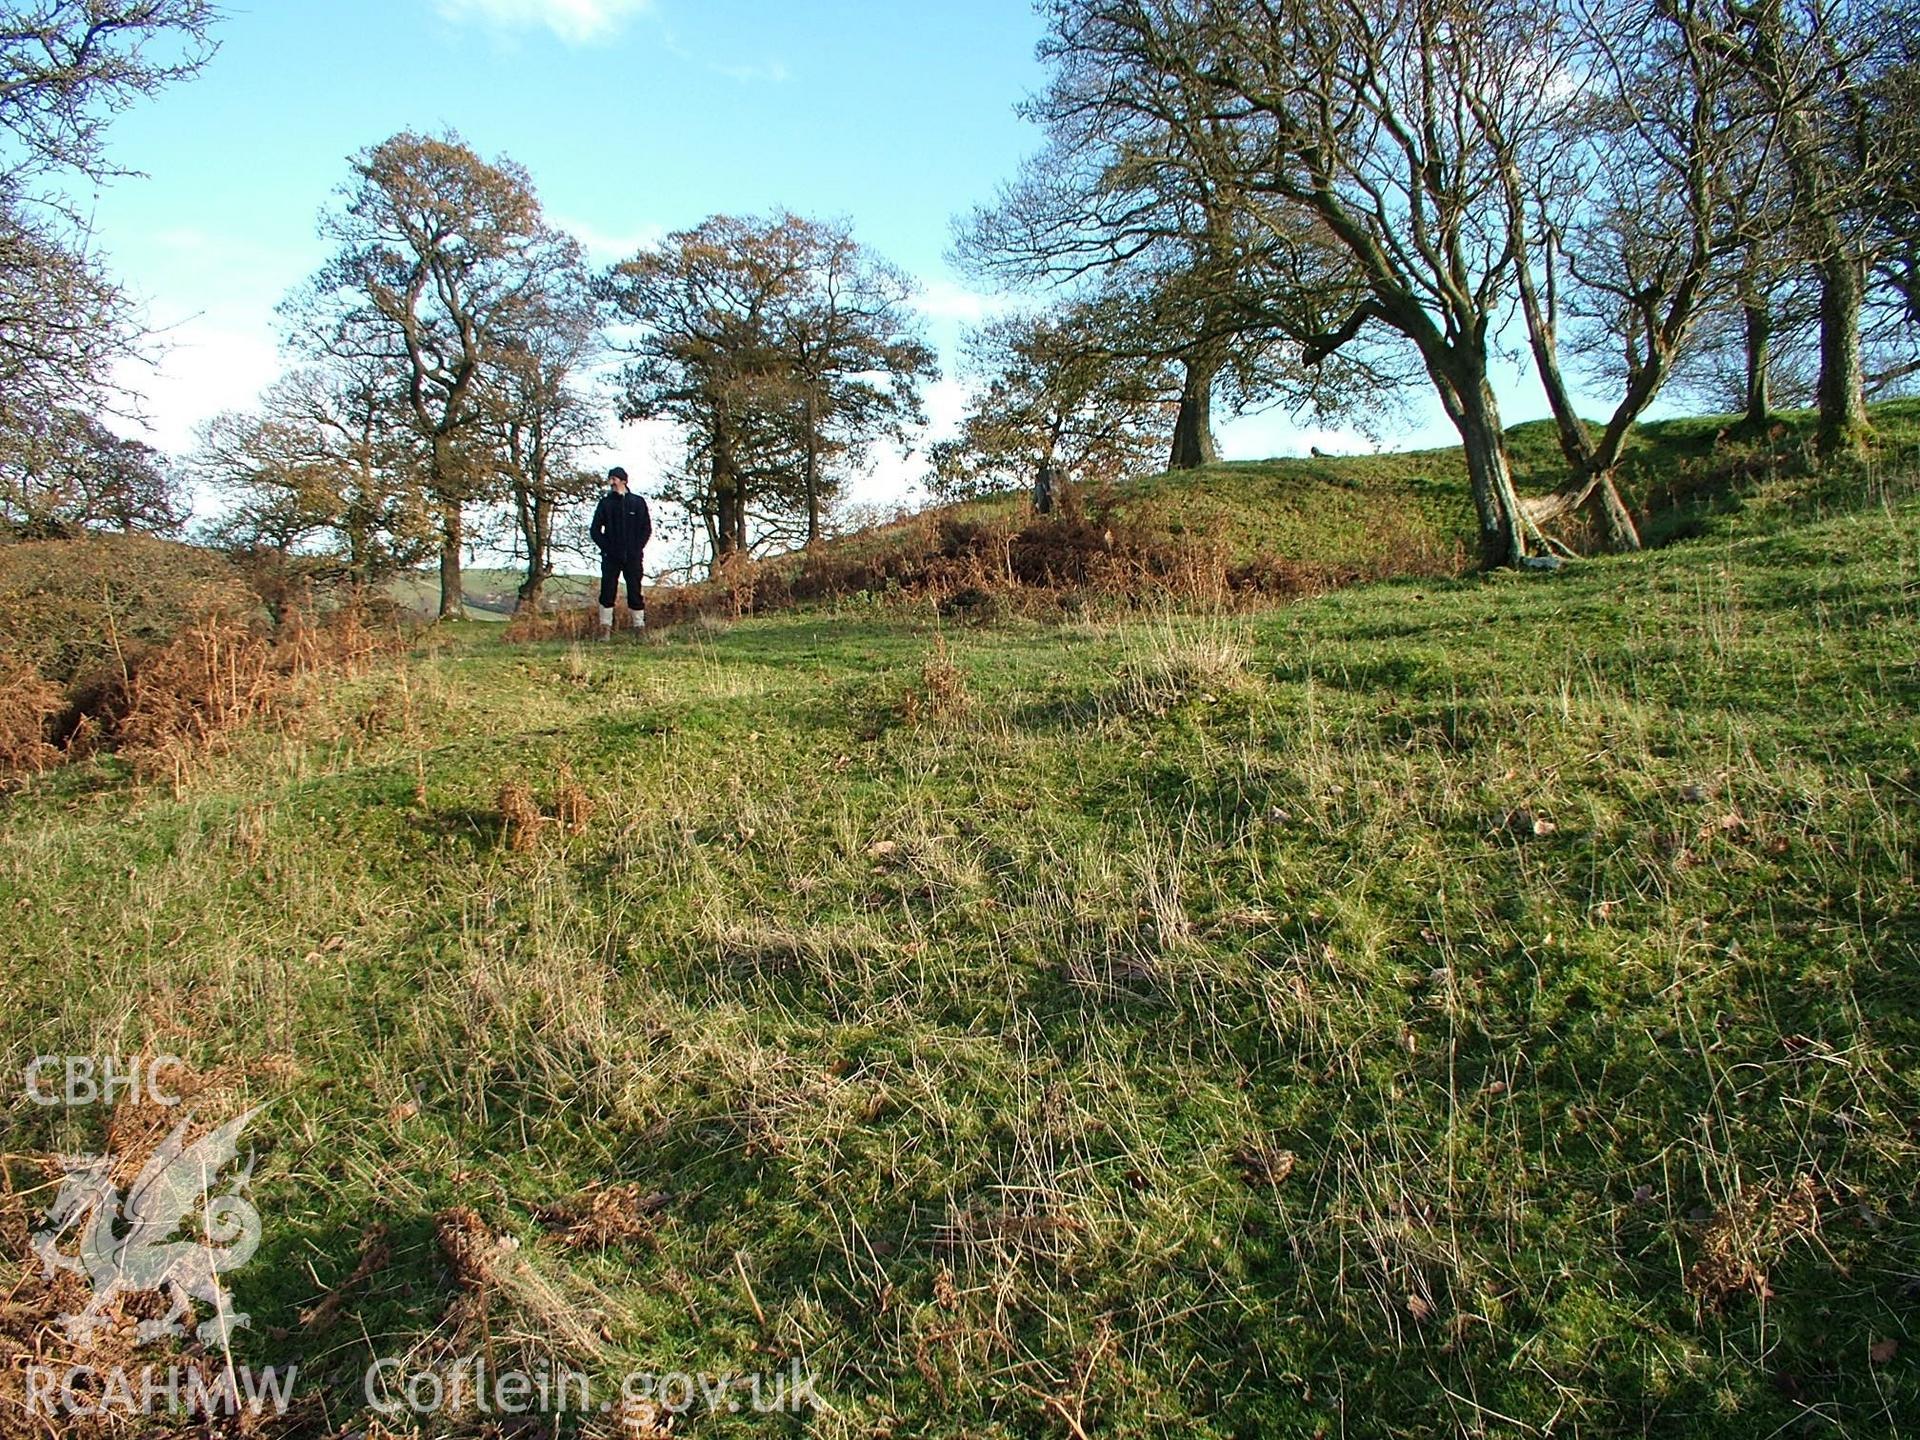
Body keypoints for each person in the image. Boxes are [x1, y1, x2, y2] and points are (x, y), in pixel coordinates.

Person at [589, 466, 651, 638]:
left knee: (635, 591)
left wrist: (637, 548)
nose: (611, 482)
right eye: (610, 479)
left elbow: (646, 528)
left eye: (614, 478)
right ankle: (605, 630)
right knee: (607, 591)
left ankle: (639, 628)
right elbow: (595, 530)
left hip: (633, 557)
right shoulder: (605, 503)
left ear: (623, 481)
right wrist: (607, 548)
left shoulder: (638, 502)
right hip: (611, 557)